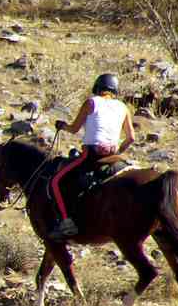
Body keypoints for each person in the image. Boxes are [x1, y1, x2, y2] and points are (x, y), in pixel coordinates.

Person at [48, 73, 135, 241]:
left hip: (91, 154)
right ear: (114, 91)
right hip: (112, 155)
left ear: (97, 88)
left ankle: (66, 223)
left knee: (55, 181)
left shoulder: (91, 102)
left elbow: (74, 129)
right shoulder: (123, 107)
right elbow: (131, 137)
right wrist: (118, 152)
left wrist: (62, 125)